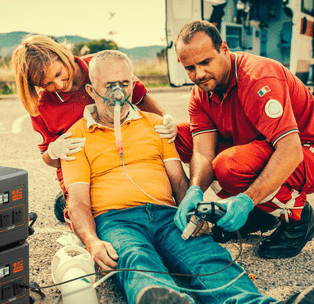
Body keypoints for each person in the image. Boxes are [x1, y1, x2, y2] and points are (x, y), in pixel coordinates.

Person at [61, 50, 314, 304]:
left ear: (133, 85)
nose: (118, 92)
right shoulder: (75, 138)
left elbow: (177, 179)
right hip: (116, 220)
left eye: (125, 83)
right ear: (91, 90)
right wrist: (92, 241)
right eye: (109, 84)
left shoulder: (155, 127)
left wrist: (193, 210)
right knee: (136, 260)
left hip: (167, 214)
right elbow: (78, 202)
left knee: (208, 258)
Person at [173, 20, 314, 259]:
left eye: (205, 62)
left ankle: (299, 217)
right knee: (180, 138)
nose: (199, 74)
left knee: (228, 166)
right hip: (261, 147)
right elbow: (201, 152)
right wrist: (194, 190)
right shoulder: (201, 92)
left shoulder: (258, 78)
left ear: (224, 50)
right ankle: (263, 211)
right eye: (190, 68)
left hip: (311, 152)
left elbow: (290, 150)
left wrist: (246, 200)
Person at [12, 35, 193, 225]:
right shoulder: (40, 104)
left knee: (180, 141)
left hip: (127, 151)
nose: (58, 85)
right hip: (85, 168)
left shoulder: (103, 66)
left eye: (58, 74)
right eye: (47, 84)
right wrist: (53, 151)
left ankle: (215, 193)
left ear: (63, 55)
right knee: (90, 215)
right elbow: (48, 158)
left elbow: (141, 99)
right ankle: (64, 202)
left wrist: (166, 119)